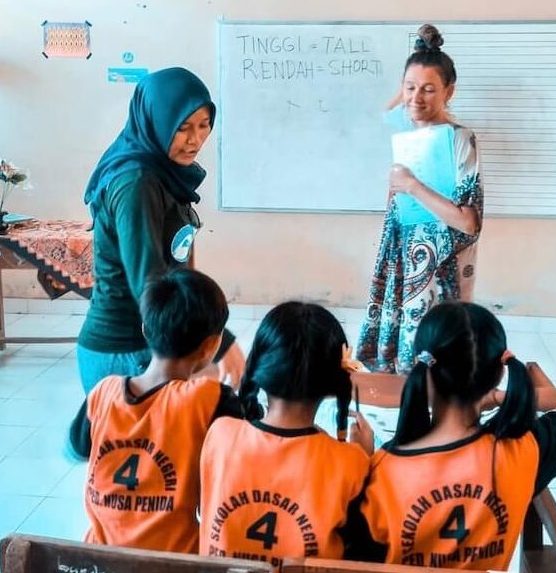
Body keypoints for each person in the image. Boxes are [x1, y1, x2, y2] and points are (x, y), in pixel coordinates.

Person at [353, 301, 556, 571]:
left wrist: (362, 462)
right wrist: (501, 396)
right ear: (500, 372)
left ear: (423, 369)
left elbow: (355, 558)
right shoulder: (523, 450)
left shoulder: (384, 469)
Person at [77, 66, 244, 394]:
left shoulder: (165, 174)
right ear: (157, 121)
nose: (195, 139)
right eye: (182, 128)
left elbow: (177, 268)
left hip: (156, 341)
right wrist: (219, 341)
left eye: (204, 125)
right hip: (125, 350)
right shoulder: (136, 182)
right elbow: (152, 284)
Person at [68, 268, 244, 553]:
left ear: (145, 329)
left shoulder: (103, 392)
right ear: (211, 345)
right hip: (171, 563)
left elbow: (77, 448)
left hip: (98, 559)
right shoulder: (210, 400)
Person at [198, 302, 374, 568]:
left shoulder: (220, 434)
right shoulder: (351, 461)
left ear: (259, 365)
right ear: (334, 381)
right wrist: (365, 457)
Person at [356, 24, 483, 374]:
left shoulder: (459, 139)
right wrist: (420, 53)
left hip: (440, 263)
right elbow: (386, 111)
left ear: (449, 92)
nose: (416, 98)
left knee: (435, 354)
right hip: (402, 252)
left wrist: (411, 186)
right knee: (400, 353)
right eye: (410, 88)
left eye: (429, 89)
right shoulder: (408, 132)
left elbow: (469, 222)